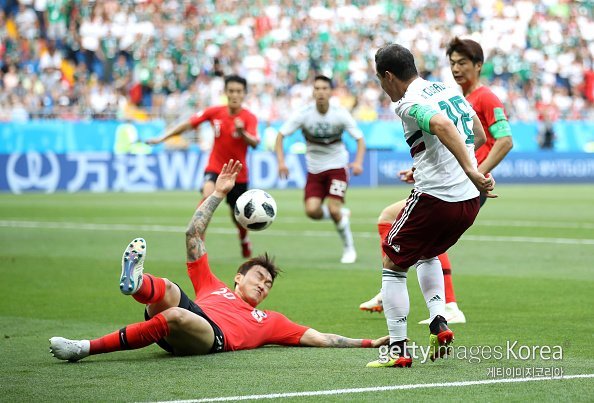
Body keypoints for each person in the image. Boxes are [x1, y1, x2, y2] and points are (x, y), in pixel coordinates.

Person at [49, 160, 389, 362]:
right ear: (238, 278)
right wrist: (218, 195)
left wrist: (366, 343)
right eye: (258, 277)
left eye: (268, 284)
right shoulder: (212, 286)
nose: (263, 285)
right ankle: (138, 286)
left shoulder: (270, 320)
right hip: (187, 318)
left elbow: (319, 337)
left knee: (178, 314)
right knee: (168, 288)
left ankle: (84, 348)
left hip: (212, 338)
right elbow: (192, 236)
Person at [359, 37, 513, 325]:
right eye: (452, 62)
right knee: (427, 245)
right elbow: (466, 138)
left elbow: (502, 140)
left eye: (462, 62)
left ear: (478, 66)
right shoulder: (450, 92)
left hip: (459, 183)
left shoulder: (484, 97)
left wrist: (473, 170)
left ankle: (401, 288)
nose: (456, 68)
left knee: (404, 241)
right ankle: (439, 309)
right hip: (463, 182)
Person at [146, 75, 260, 258]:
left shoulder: (249, 118)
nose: (235, 95)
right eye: (231, 91)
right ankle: (198, 242)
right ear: (225, 92)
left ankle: (244, 240)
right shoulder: (215, 112)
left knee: (237, 216)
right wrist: (162, 138)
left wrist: (242, 132)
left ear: (244, 94)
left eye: (239, 91)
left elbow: (255, 142)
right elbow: (188, 124)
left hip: (238, 175)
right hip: (215, 168)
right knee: (208, 197)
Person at [275, 75, 366, 264]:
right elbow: (281, 135)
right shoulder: (304, 114)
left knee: (333, 209)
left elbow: (360, 139)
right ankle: (341, 214)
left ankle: (349, 249)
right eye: (317, 88)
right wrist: (281, 162)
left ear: (331, 92)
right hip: (314, 169)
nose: (321, 92)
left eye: (325, 88)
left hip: (337, 167)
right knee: (311, 211)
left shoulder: (340, 113)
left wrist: (357, 162)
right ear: (313, 92)